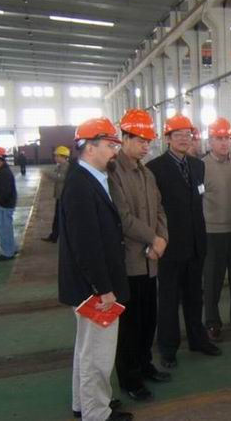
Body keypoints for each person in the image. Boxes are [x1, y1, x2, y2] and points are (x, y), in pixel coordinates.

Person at [58, 117, 133, 421]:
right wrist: (103, 288)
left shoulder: (89, 178)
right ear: (90, 147)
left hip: (88, 285)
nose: (115, 151)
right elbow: (86, 245)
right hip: (94, 288)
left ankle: (84, 405)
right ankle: (97, 414)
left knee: (87, 350)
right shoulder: (80, 185)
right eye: (110, 145)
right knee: (98, 355)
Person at [147, 114, 221, 368]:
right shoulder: (155, 169)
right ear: (167, 139)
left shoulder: (198, 166)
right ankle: (168, 348)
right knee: (168, 300)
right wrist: (157, 239)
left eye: (187, 135)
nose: (183, 139)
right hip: (170, 245)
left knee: (194, 296)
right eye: (177, 135)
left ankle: (198, 339)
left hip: (196, 243)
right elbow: (153, 209)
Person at [108, 109, 171, 401]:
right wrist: (153, 238)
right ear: (124, 138)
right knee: (130, 326)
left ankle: (145, 365)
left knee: (148, 320)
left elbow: (159, 210)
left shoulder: (147, 173)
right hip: (130, 262)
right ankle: (130, 379)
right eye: (141, 141)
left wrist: (162, 239)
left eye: (148, 141)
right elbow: (123, 218)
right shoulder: (114, 173)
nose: (146, 146)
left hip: (151, 260)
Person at [202, 118, 231, 342]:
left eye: (226, 138)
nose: (223, 143)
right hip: (212, 233)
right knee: (212, 281)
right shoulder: (201, 167)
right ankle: (212, 323)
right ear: (210, 141)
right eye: (218, 138)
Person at [42, 146, 71, 243]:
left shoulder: (65, 166)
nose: (55, 157)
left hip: (63, 196)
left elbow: (60, 178)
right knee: (58, 217)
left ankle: (57, 237)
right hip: (60, 195)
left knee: (60, 217)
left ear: (62, 156)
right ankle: (54, 236)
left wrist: (47, 174)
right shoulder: (60, 165)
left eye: (56, 156)